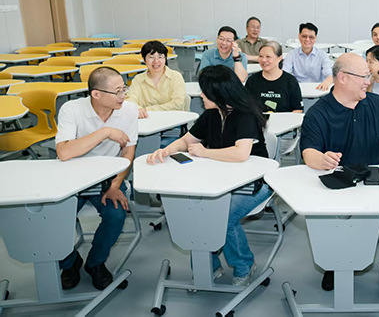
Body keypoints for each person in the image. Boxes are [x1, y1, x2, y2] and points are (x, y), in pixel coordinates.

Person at [300, 53, 379, 295]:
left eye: (368, 76)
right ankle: (334, 265)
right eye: (363, 76)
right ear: (342, 78)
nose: (368, 81)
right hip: (337, 180)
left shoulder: (377, 104)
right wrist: (321, 159)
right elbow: (309, 152)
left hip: (377, 179)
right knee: (333, 221)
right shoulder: (318, 113)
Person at [148, 65, 269, 286]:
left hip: (255, 183)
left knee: (224, 217)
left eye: (205, 91)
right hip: (220, 180)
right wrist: (166, 150)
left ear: (219, 93)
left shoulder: (245, 116)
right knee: (196, 212)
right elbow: (187, 140)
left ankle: (244, 265)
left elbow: (241, 154)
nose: (201, 95)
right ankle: (208, 267)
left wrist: (205, 152)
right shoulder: (212, 114)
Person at [55, 66, 138, 291]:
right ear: (96, 94)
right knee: (50, 218)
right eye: (117, 91)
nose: (123, 96)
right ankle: (69, 262)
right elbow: (64, 152)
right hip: (71, 177)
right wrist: (104, 132)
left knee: (116, 214)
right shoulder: (72, 109)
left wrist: (116, 185)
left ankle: (95, 263)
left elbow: (128, 151)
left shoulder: (129, 110)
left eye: (124, 89)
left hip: (107, 179)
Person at [126, 40, 188, 118]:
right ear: (144, 60)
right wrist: (138, 109)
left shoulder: (175, 76)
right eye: (151, 57)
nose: (156, 61)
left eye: (160, 57)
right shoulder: (138, 79)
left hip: (173, 118)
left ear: (165, 58)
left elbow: (177, 104)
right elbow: (130, 100)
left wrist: (146, 110)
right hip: (146, 119)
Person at [245, 41, 303, 113]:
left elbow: (298, 109)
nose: (263, 60)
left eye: (268, 57)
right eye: (261, 56)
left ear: (279, 58)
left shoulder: (290, 81)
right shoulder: (252, 80)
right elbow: (246, 106)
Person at [283, 22, 333, 91]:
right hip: (297, 89)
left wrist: (326, 83)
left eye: (311, 37)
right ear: (299, 36)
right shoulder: (291, 55)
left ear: (315, 38)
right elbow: (285, 74)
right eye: (304, 36)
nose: (307, 39)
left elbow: (329, 75)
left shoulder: (322, 55)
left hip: (318, 89)